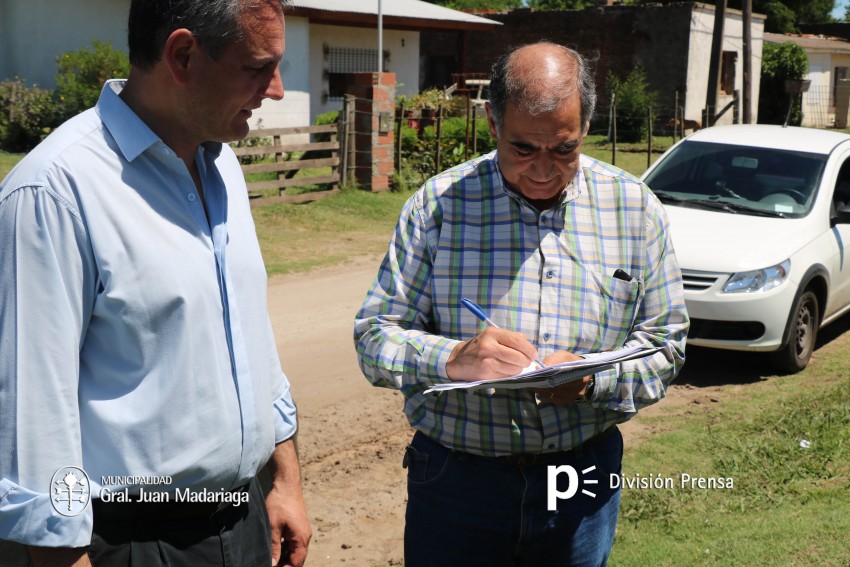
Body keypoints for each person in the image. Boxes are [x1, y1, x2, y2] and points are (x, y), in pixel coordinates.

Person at [0, 0, 311, 565]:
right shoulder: (55, 193)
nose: (276, 90)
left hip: (241, 521)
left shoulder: (222, 167)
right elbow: (34, 416)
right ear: (184, 54)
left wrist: (283, 478)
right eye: (257, 67)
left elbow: (251, 338)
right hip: (130, 543)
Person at [354, 42, 688, 566]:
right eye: (523, 149)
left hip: (581, 477)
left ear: (586, 129)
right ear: (492, 121)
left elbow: (666, 347)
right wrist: (453, 359)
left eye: (563, 150)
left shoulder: (634, 209)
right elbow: (374, 335)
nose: (542, 171)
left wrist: (592, 381)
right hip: (458, 480)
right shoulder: (440, 205)